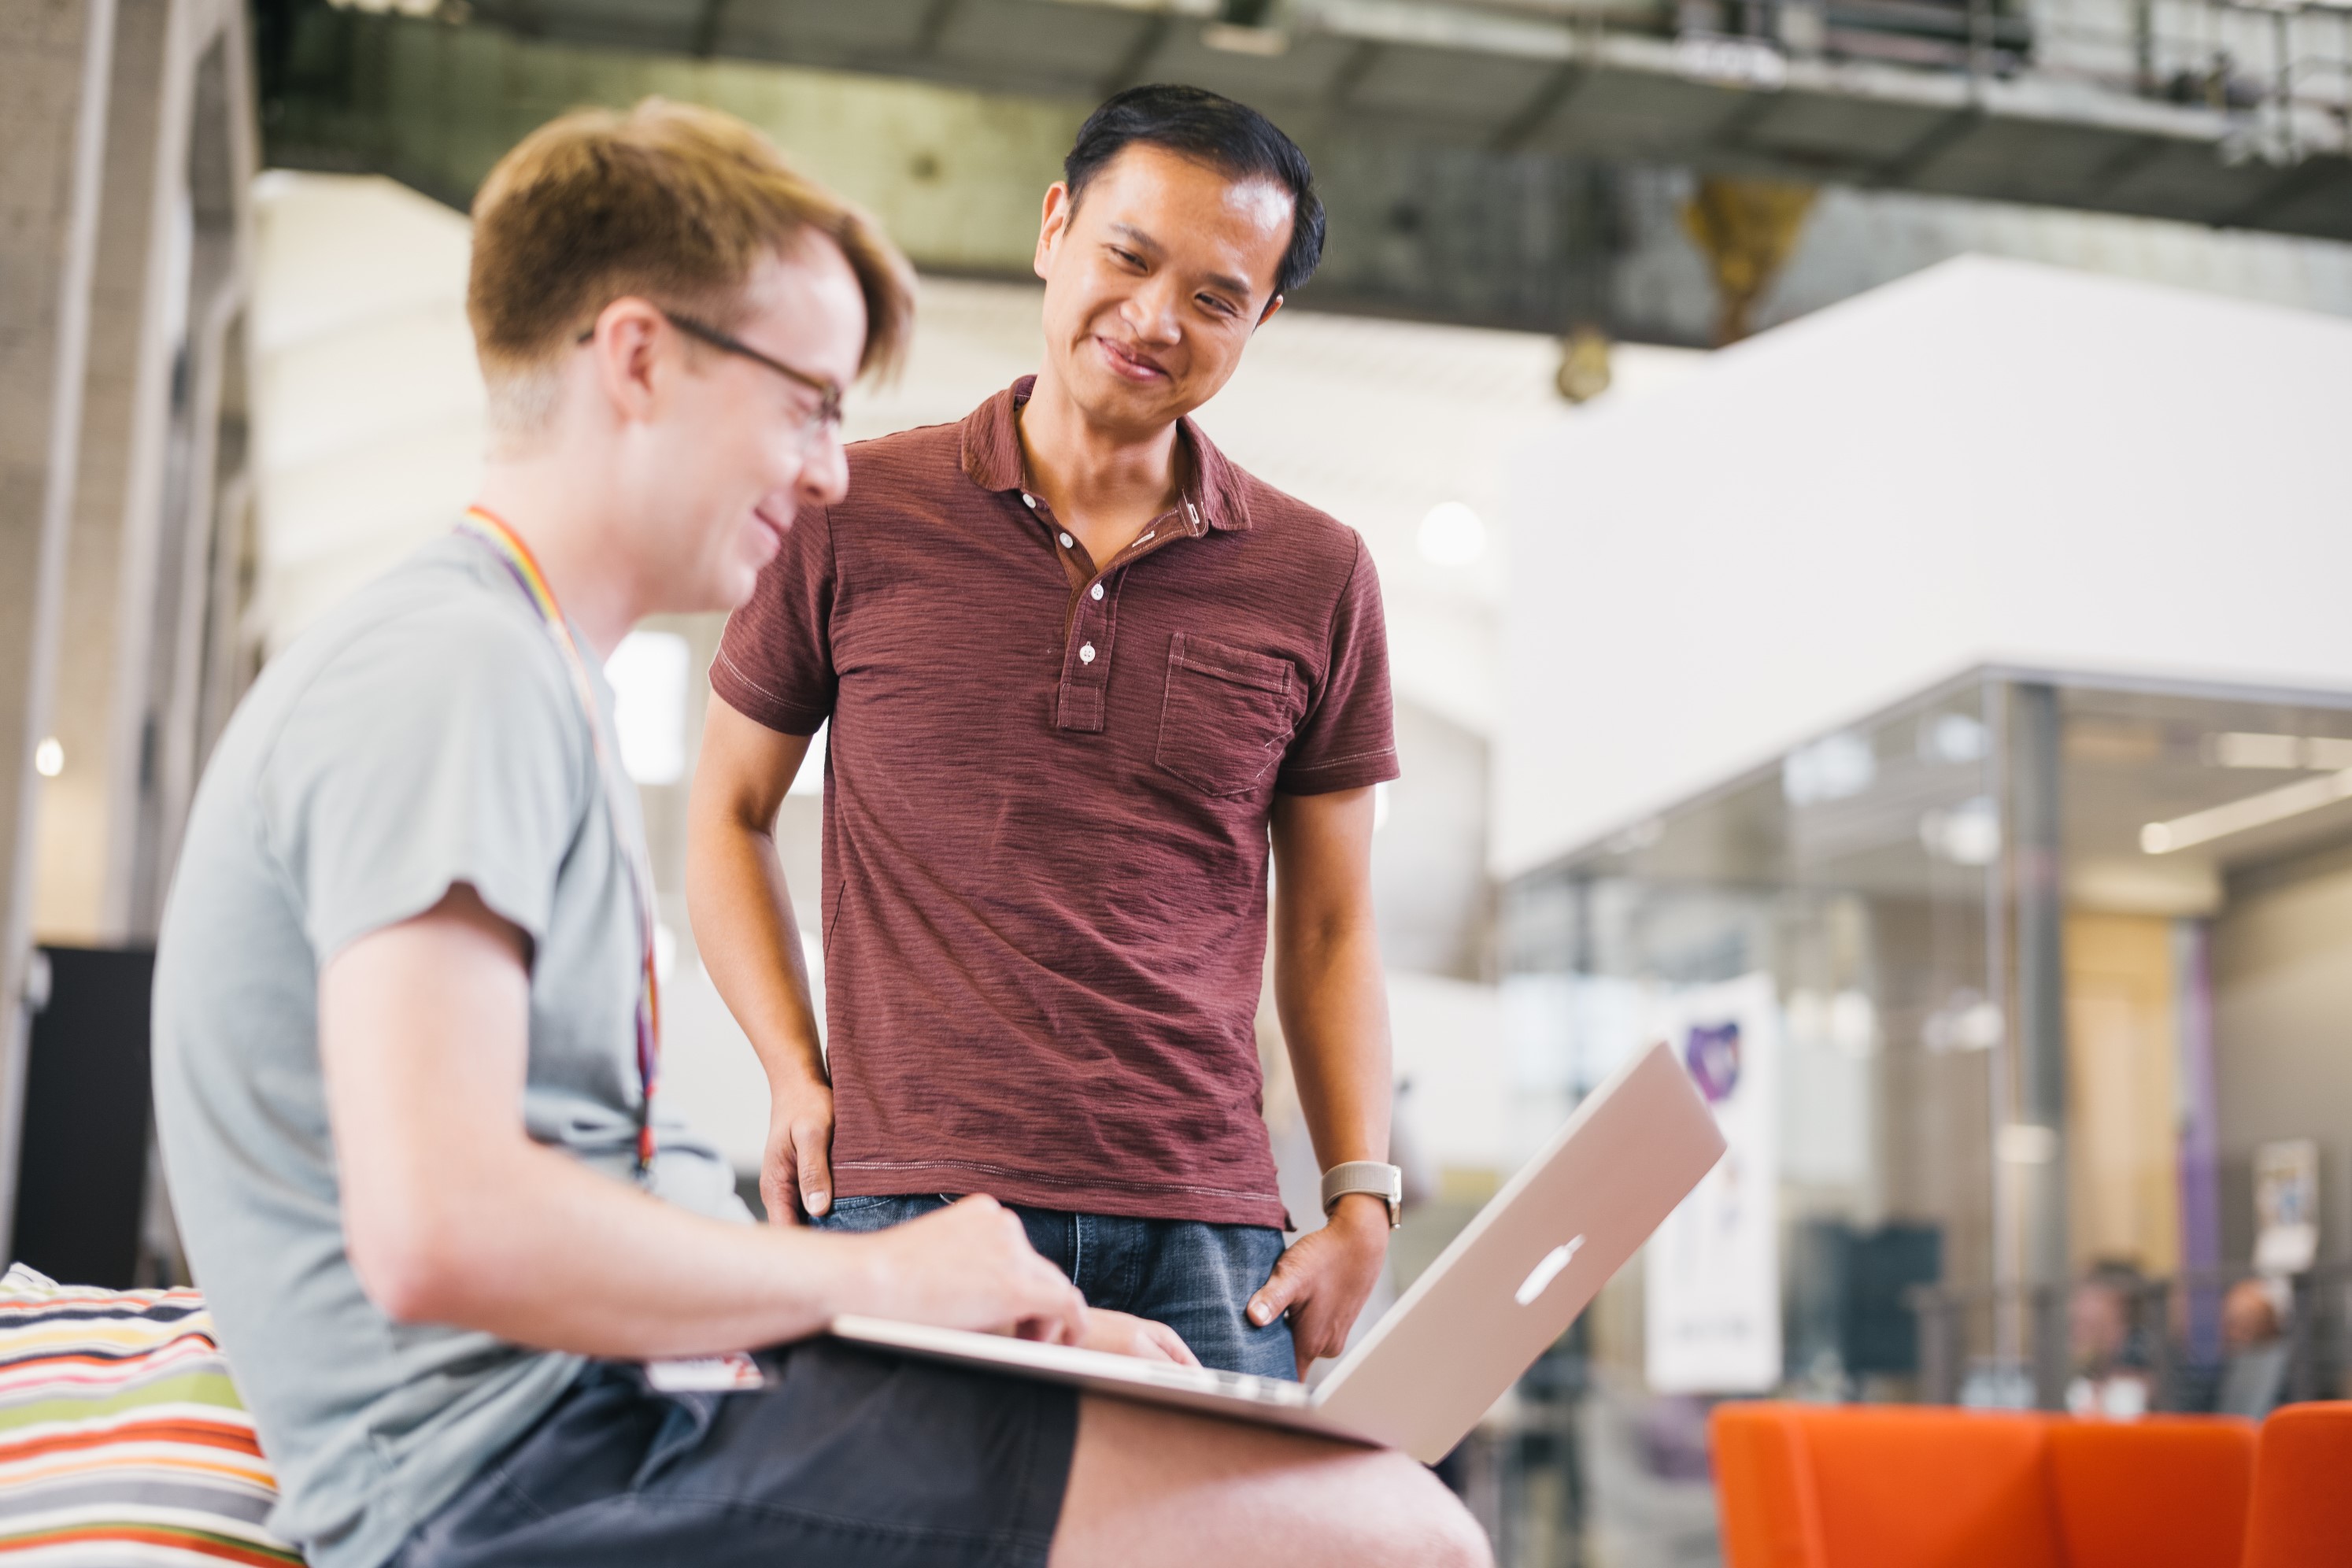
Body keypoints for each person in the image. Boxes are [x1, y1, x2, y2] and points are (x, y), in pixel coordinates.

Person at [150, 99, 1487, 1568]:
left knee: (1319, 1496)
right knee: (1385, 1536)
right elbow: (441, 1227)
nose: (831, 468)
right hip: (544, 1467)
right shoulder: (455, 673)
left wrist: (948, 1308)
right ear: (641, 359)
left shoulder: (518, 674)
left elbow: (534, 1185)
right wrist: (882, 1265)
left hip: (653, 1408)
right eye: (807, 401)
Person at [689, 83, 1400, 1382]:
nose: (1153, 320)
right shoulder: (852, 511)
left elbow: (1334, 924)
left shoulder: (1319, 575)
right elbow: (727, 812)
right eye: (1129, 258)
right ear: (1055, 227)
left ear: (1262, 319)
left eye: (1214, 296)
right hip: (913, 1201)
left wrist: (1362, 1196)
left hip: (1207, 1235)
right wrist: (794, 1073)